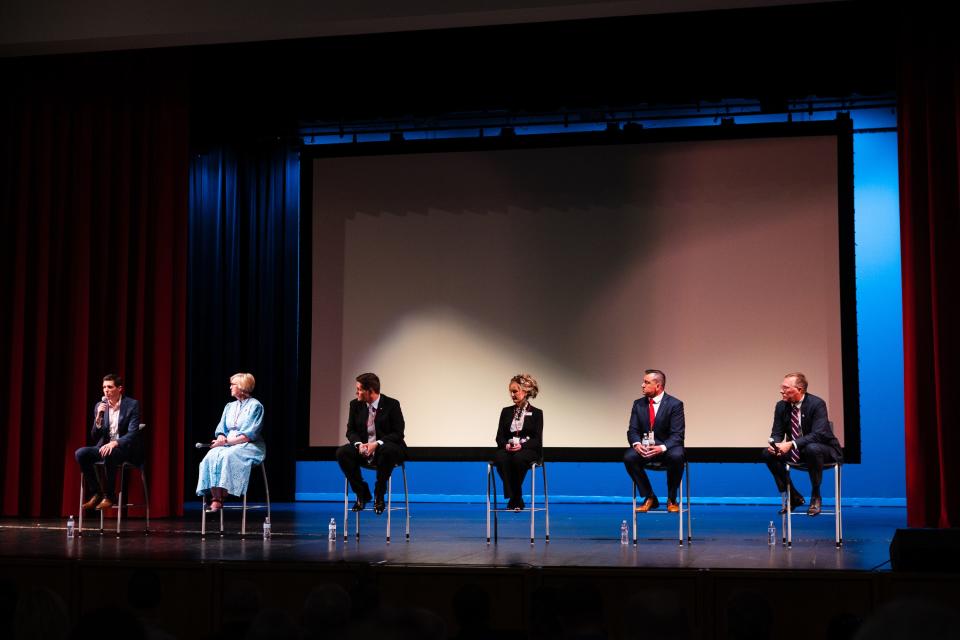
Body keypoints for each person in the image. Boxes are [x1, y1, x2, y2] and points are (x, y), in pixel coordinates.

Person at [763, 372, 842, 516]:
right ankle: (794, 496)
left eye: (786, 388)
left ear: (800, 389)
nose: (782, 390)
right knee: (767, 454)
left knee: (812, 448)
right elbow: (777, 432)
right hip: (798, 452)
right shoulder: (781, 406)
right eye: (782, 387)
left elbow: (818, 434)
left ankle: (816, 496)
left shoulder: (817, 404)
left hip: (824, 450)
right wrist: (775, 444)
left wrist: (791, 444)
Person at [336, 373, 406, 514]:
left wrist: (377, 444)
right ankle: (362, 493)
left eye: (360, 389)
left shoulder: (392, 405)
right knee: (342, 452)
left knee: (387, 451)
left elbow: (398, 433)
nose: (357, 392)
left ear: (370, 391)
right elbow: (351, 431)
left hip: (387, 450)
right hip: (364, 449)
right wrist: (359, 444)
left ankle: (379, 494)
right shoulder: (355, 405)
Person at [196, 372, 266, 512]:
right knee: (211, 455)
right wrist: (221, 436)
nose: (230, 387)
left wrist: (226, 442)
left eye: (232, 385)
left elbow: (248, 435)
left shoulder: (255, 406)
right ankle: (216, 498)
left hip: (248, 445)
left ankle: (222, 497)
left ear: (241, 386)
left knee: (228, 456)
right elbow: (222, 428)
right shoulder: (229, 406)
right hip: (228, 443)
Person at [75, 374, 144, 511]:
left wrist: (115, 443)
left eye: (110, 387)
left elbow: (132, 433)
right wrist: (98, 418)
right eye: (104, 387)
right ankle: (96, 492)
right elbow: (95, 436)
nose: (106, 390)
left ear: (119, 389)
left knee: (110, 453)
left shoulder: (131, 405)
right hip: (105, 448)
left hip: (124, 449)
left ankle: (110, 496)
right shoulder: (99, 406)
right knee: (80, 453)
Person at [623, 369, 685, 513]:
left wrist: (662, 447)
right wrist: (637, 444)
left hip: (666, 449)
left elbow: (678, 435)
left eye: (646, 382)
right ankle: (650, 497)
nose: (642, 385)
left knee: (677, 455)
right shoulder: (638, 404)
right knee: (629, 456)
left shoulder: (675, 404)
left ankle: (672, 499)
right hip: (646, 448)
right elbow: (632, 430)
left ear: (658, 386)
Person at [493, 373, 544, 511]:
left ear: (525, 391)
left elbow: (537, 440)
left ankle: (514, 498)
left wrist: (521, 445)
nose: (512, 395)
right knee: (500, 457)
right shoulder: (506, 411)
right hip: (509, 449)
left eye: (515, 391)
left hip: (528, 450)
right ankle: (517, 497)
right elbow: (499, 437)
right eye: (510, 392)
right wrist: (507, 445)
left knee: (518, 458)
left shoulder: (537, 413)